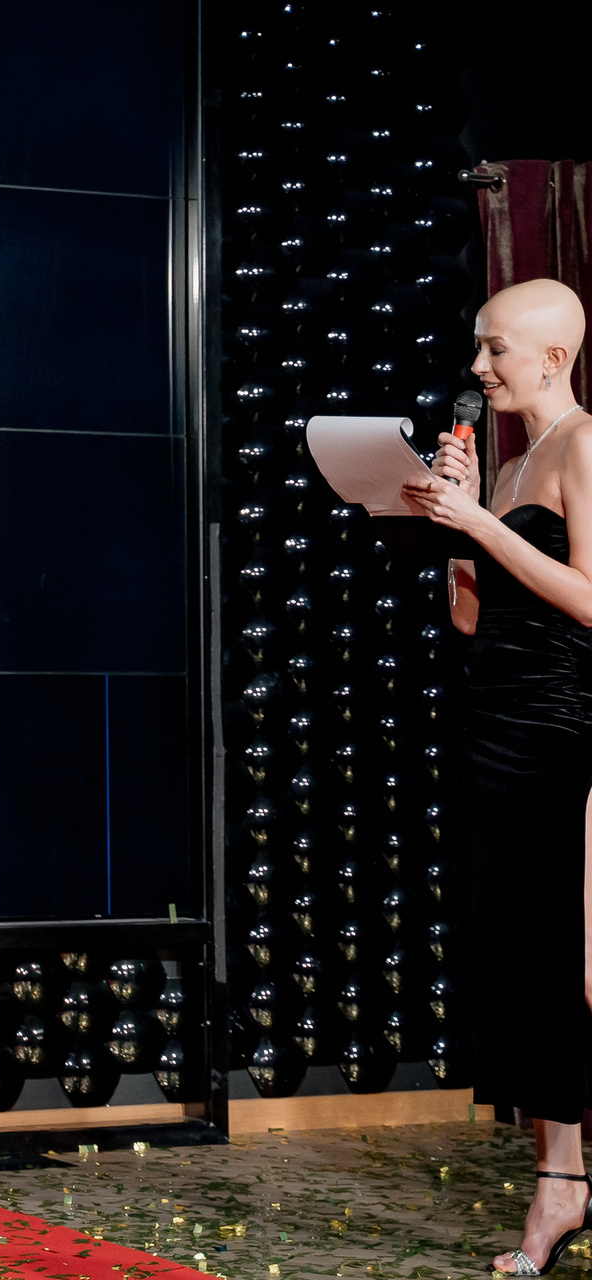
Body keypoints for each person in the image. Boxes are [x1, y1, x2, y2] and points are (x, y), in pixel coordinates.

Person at [401, 277, 592, 1277]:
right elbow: (475, 616)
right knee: (521, 961)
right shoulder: (514, 460)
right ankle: (561, 1176)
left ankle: (563, 1181)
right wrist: (455, 521)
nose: (478, 368)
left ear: (553, 358)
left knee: (567, 962)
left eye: (495, 349)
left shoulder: (584, 444)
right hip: (497, 726)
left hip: (566, 731)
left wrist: (480, 524)